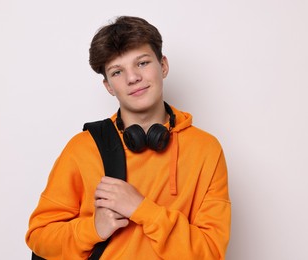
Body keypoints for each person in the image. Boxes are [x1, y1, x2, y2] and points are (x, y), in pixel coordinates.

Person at [26, 16, 231, 259]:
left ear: (163, 66)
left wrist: (141, 209)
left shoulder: (206, 149)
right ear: (109, 86)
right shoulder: (83, 148)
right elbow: (39, 237)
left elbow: (211, 252)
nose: (132, 78)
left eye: (142, 63)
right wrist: (94, 228)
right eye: (117, 71)